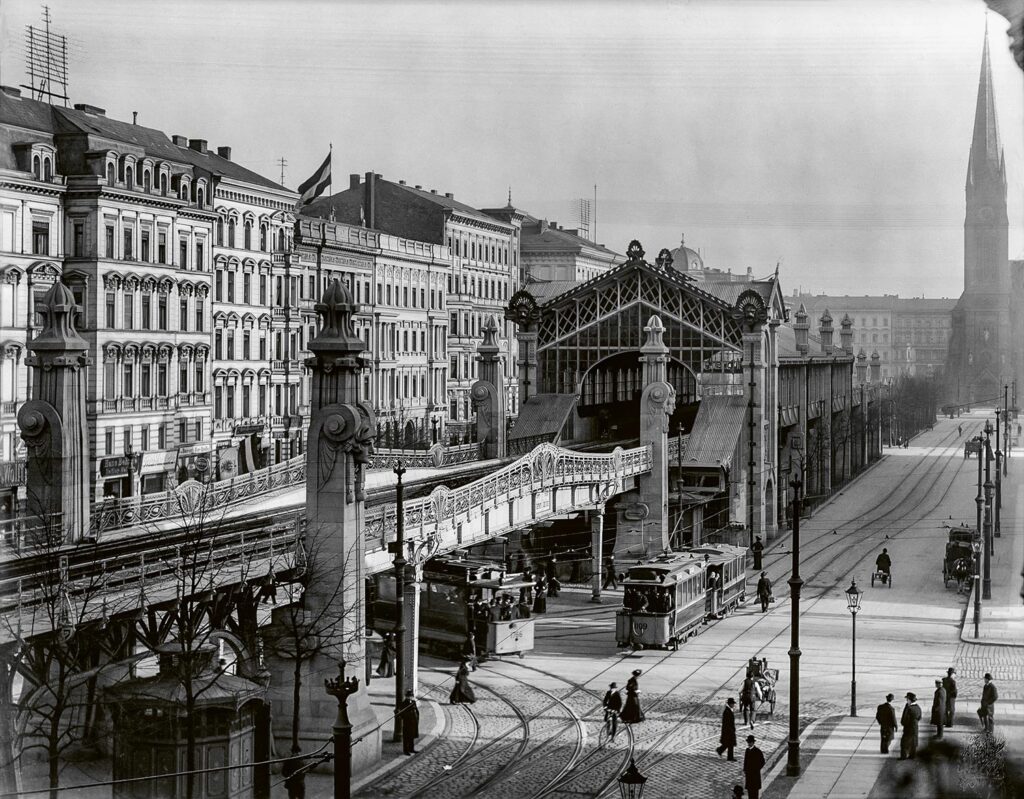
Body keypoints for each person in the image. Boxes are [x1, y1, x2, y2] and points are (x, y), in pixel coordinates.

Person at [899, 692, 921, 760]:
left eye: (907, 699)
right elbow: (919, 717)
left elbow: (904, 719)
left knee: (904, 743)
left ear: (910, 700)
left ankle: (903, 756)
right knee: (913, 742)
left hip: (908, 728)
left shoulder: (908, 708)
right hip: (915, 727)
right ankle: (912, 755)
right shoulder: (918, 707)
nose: (906, 700)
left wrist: (903, 723)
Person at [743, 735, 766, 799]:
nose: (749, 744)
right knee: (750, 792)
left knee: (755, 792)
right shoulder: (747, 750)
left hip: (755, 775)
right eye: (748, 742)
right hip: (749, 774)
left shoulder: (757, 751)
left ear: (753, 742)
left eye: (750, 742)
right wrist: (745, 770)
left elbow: (762, 761)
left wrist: (757, 768)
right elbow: (745, 761)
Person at [398, 689, 420, 754]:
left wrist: (417, 718)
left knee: (412, 737)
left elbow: (416, 711)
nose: (410, 697)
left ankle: (411, 749)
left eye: (411, 696)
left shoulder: (413, 702)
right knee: (407, 737)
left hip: (413, 722)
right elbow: (402, 714)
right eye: (409, 696)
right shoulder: (404, 703)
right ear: (406, 696)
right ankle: (406, 750)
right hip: (407, 722)